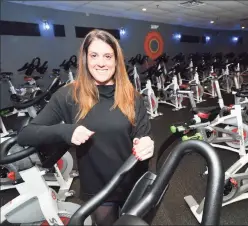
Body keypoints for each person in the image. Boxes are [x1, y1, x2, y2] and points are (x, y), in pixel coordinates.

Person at [17, 29, 155, 225]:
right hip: (100, 187)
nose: (101, 62)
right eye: (94, 55)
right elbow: (25, 134)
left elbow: (144, 134)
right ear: (85, 59)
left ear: (116, 60)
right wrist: (67, 131)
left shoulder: (131, 95)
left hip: (134, 180)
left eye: (108, 56)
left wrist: (147, 142)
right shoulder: (69, 95)